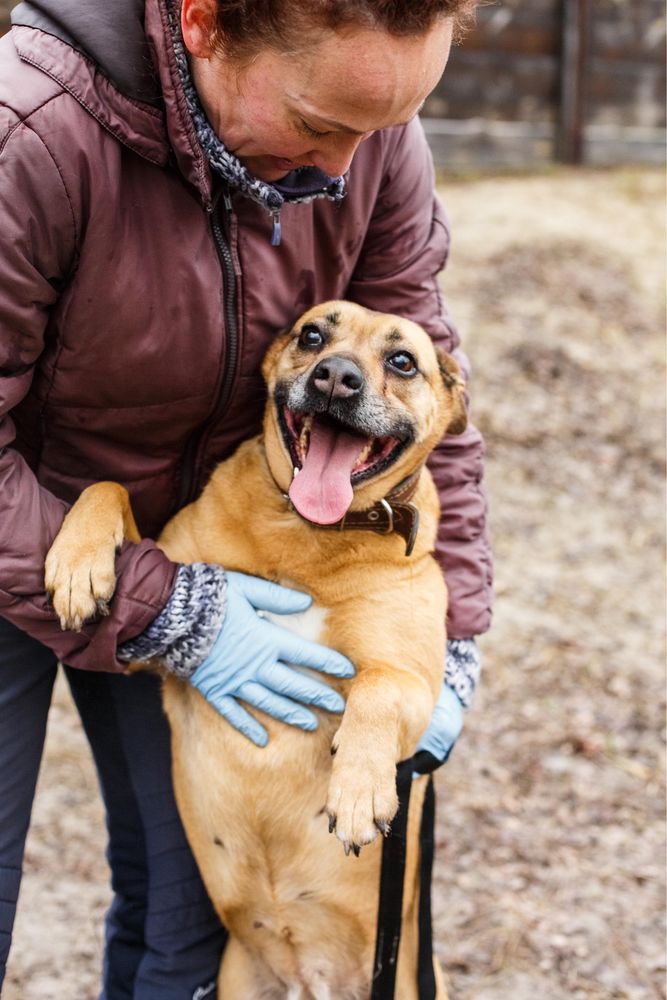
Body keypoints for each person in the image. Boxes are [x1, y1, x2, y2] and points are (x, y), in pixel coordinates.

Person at [0, 0, 492, 996]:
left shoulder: (374, 128)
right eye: (320, 126)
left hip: (217, 546)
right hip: (36, 516)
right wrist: (164, 605)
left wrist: (457, 625)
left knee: (186, 919)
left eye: (386, 125)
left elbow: (430, 374)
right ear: (203, 26)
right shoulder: (29, 135)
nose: (354, 162)